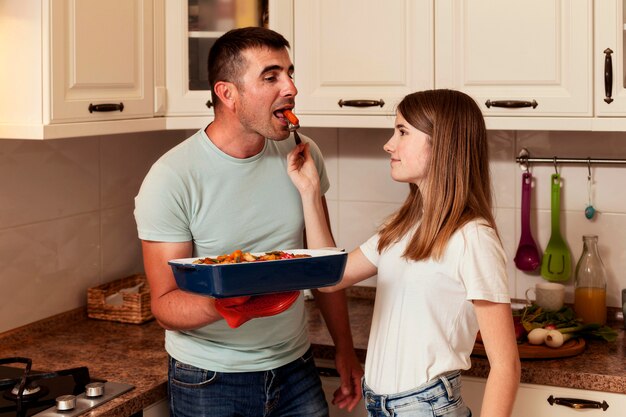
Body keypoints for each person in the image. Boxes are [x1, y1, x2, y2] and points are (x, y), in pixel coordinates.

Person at [134, 27, 363, 417]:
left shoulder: (302, 153)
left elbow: (324, 267)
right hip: (209, 379)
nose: (290, 87)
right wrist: (232, 304)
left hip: (296, 367)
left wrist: (344, 351)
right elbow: (166, 304)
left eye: (290, 73)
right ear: (228, 94)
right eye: (271, 76)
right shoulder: (172, 177)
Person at [287, 89, 521, 417]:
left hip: (427, 409)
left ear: (443, 144)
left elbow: (506, 366)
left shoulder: (473, 238)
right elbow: (328, 279)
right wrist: (310, 193)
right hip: (379, 405)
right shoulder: (402, 226)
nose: (389, 144)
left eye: (402, 132)